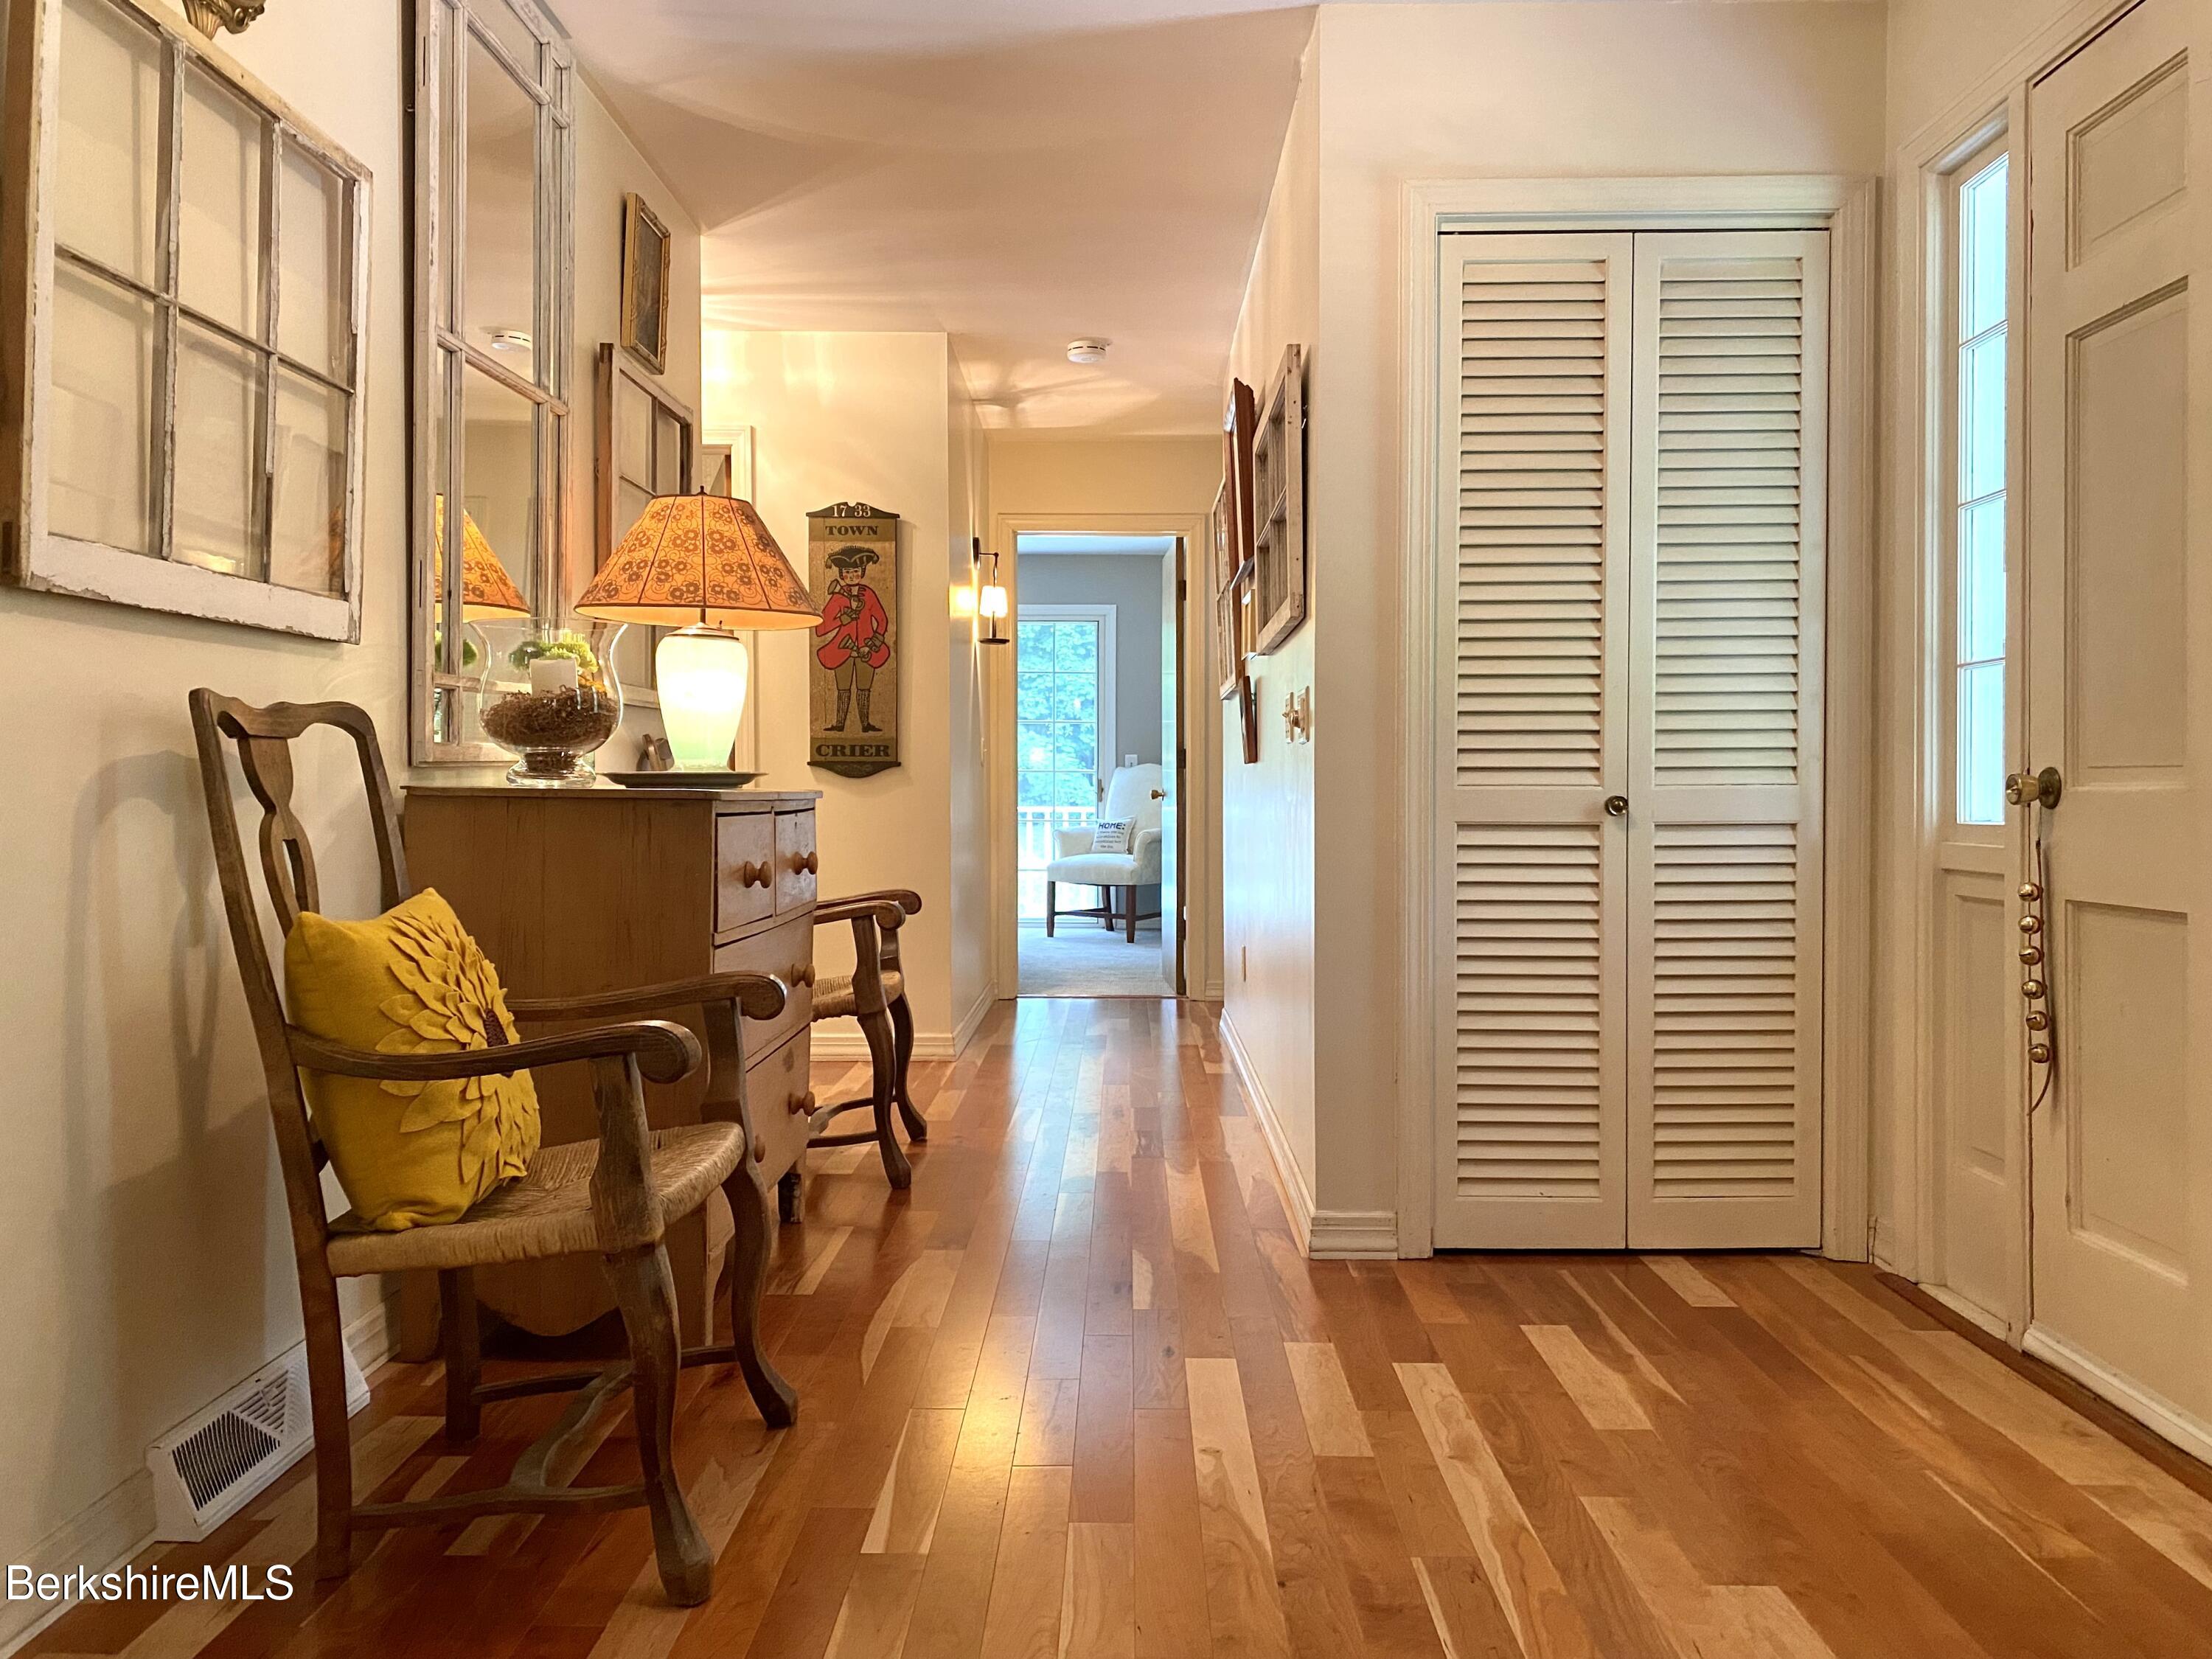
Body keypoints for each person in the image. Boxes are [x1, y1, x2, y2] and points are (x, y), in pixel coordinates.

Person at [815, 544, 891, 732]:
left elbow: (882, 620)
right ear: (842, 574)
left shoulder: (869, 595)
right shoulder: (838, 598)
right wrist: (843, 619)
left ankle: (865, 724)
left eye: (856, 572)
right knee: (843, 688)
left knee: (864, 688)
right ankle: (840, 724)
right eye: (847, 572)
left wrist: (873, 643)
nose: (852, 576)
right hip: (843, 649)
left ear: (862, 572)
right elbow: (821, 628)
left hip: (867, 649)